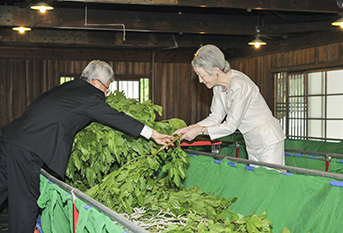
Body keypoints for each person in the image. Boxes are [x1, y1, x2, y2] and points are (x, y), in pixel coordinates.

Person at [0, 60, 174, 232]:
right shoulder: (91, 95)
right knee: (25, 204)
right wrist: (153, 134)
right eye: (107, 88)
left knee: (3, 186)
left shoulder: (67, 87)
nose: (106, 95)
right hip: (29, 148)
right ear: (95, 82)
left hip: (9, 137)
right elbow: (117, 117)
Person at [174, 44, 286, 166]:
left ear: (216, 71)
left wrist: (199, 131)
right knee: (257, 180)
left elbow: (230, 126)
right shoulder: (217, 86)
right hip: (252, 141)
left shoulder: (239, 84)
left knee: (271, 180)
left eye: (202, 75)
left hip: (268, 139)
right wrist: (190, 128)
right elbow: (215, 117)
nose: (201, 80)